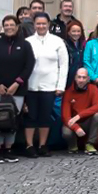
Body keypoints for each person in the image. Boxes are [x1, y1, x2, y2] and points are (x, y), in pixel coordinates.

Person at [0, 15, 35, 164]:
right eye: (6, 25)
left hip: (17, 89)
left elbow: (29, 66)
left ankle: (9, 149)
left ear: (17, 26)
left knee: (12, 119)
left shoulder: (25, 45)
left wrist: (17, 83)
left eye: (11, 24)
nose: (8, 27)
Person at [24, 13, 68, 157]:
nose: (41, 26)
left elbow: (64, 65)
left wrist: (60, 86)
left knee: (45, 116)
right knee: (30, 116)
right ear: (34, 24)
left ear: (48, 24)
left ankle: (43, 145)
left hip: (50, 86)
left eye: (44, 24)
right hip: (31, 85)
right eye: (38, 24)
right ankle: (29, 145)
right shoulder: (28, 41)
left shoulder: (57, 41)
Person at [62, 68, 98, 154]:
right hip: (73, 123)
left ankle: (90, 144)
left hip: (87, 122)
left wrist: (79, 116)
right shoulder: (68, 92)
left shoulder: (93, 88)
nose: (81, 80)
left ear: (88, 79)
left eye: (84, 77)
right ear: (75, 78)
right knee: (66, 132)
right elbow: (65, 116)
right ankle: (73, 145)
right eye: (79, 77)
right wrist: (76, 128)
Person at [63, 20, 86, 89]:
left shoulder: (84, 45)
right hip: (67, 79)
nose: (76, 33)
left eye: (78, 31)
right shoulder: (64, 45)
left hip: (81, 79)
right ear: (68, 32)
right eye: (73, 31)